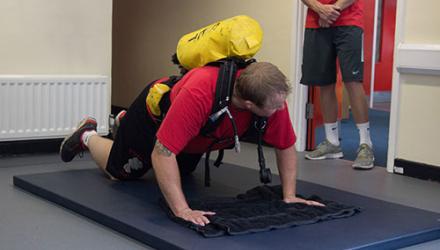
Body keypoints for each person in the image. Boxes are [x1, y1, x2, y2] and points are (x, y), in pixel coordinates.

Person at [59, 61, 324, 227]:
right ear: (249, 105)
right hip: (152, 120)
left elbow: (286, 144)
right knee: (123, 172)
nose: (281, 108)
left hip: (190, 135)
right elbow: (162, 153)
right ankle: (89, 135)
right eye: (276, 105)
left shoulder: (269, 96)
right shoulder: (200, 93)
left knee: (182, 173)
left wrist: (289, 196)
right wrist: (182, 210)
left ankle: (123, 123)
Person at [300, 0, 375, 169]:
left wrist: (332, 11)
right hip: (316, 23)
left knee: (353, 81)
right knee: (324, 82)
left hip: (349, 21)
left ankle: (366, 144)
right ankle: (332, 142)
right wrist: (319, 9)